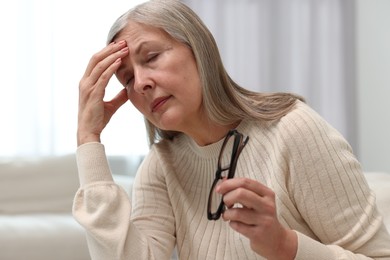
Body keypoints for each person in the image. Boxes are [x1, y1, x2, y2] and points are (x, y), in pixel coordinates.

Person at [73, 0, 390, 259]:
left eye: (152, 57)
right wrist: (88, 140)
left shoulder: (292, 130)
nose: (140, 83)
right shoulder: (161, 165)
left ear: (199, 50)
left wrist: (286, 247)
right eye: (126, 79)